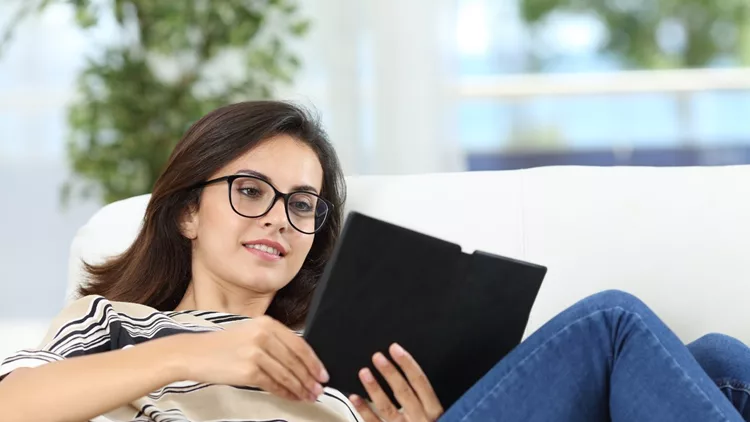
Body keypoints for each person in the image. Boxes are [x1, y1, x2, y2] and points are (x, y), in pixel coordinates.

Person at [0, 101, 748, 422]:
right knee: (612, 323)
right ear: (189, 209)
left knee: (717, 361)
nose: (278, 220)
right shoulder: (116, 325)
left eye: (302, 204)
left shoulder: (335, 354)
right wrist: (195, 351)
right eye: (251, 191)